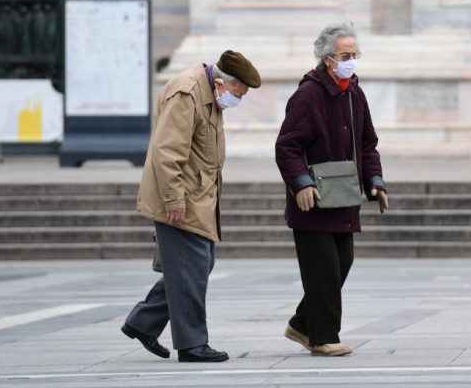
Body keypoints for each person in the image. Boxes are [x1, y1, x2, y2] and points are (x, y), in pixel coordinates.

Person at [122, 50, 261, 363]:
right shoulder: (188, 92)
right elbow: (167, 151)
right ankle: (192, 344)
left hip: (197, 197)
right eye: (239, 93)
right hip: (180, 199)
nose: (239, 99)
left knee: (196, 266)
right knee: (192, 269)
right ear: (225, 83)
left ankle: (143, 322)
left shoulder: (209, 91)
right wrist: (173, 199)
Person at [275, 21, 388, 357]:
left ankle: (301, 324)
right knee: (323, 269)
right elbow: (287, 147)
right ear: (327, 59)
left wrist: (375, 181)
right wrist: (300, 183)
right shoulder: (307, 95)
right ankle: (322, 337)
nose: (351, 60)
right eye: (344, 55)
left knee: (342, 262)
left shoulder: (354, 92)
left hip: (345, 196)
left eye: (354, 54)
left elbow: (368, 144)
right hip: (314, 199)